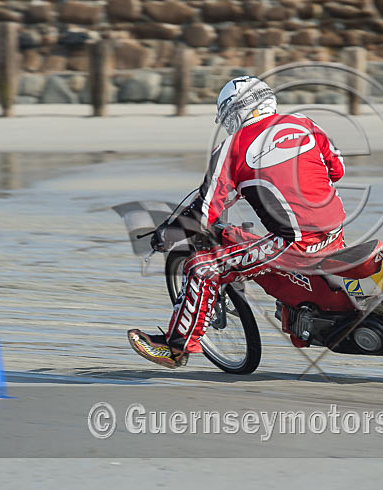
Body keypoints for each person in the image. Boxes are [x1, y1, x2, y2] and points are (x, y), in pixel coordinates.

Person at [128, 76, 347, 368]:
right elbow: (337, 170)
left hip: (293, 244)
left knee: (201, 269)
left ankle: (175, 348)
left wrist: (167, 234)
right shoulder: (304, 123)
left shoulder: (231, 148)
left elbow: (204, 213)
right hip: (334, 232)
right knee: (249, 243)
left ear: (236, 111)